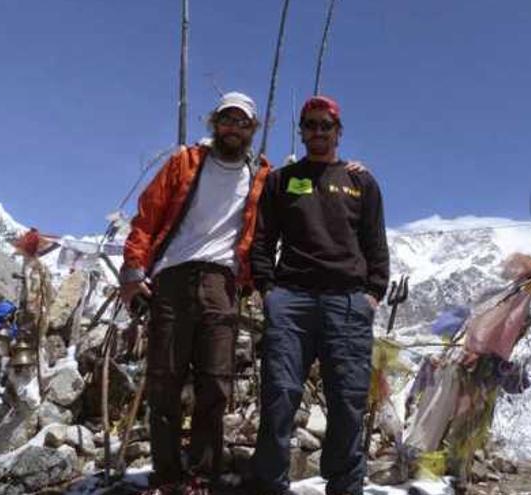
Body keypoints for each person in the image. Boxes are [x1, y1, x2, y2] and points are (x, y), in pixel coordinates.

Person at [121, 91, 270, 494]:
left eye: (242, 122)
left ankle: (203, 474)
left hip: (222, 284)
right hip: (172, 279)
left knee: (215, 383)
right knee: (164, 379)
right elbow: (147, 216)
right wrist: (133, 271)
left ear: (252, 130)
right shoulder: (184, 162)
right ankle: (168, 474)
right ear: (214, 123)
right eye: (227, 120)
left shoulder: (260, 175)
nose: (233, 128)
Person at [249, 96, 390, 495]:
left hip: (347, 303)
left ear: (338, 131)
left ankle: (344, 487)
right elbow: (262, 240)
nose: (318, 131)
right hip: (290, 300)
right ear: (302, 131)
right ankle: (269, 486)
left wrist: (373, 294)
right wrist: (267, 289)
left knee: (347, 402)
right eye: (310, 125)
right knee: (279, 395)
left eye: (325, 125)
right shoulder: (281, 179)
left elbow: (375, 244)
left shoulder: (361, 181)